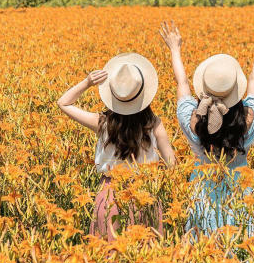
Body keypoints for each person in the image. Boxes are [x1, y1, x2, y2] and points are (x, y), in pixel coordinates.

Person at [159, 18, 254, 235]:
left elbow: (182, 84)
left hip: (203, 193)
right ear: (235, 91)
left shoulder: (194, 124)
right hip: (240, 193)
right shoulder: (249, 120)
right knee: (241, 247)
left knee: (203, 249)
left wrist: (174, 48)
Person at [56, 53, 176, 240]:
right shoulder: (154, 124)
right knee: (145, 259)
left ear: (113, 96)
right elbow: (172, 164)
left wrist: (87, 82)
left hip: (110, 195)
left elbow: (63, 103)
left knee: (108, 257)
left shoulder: (102, 123)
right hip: (145, 193)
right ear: (143, 94)